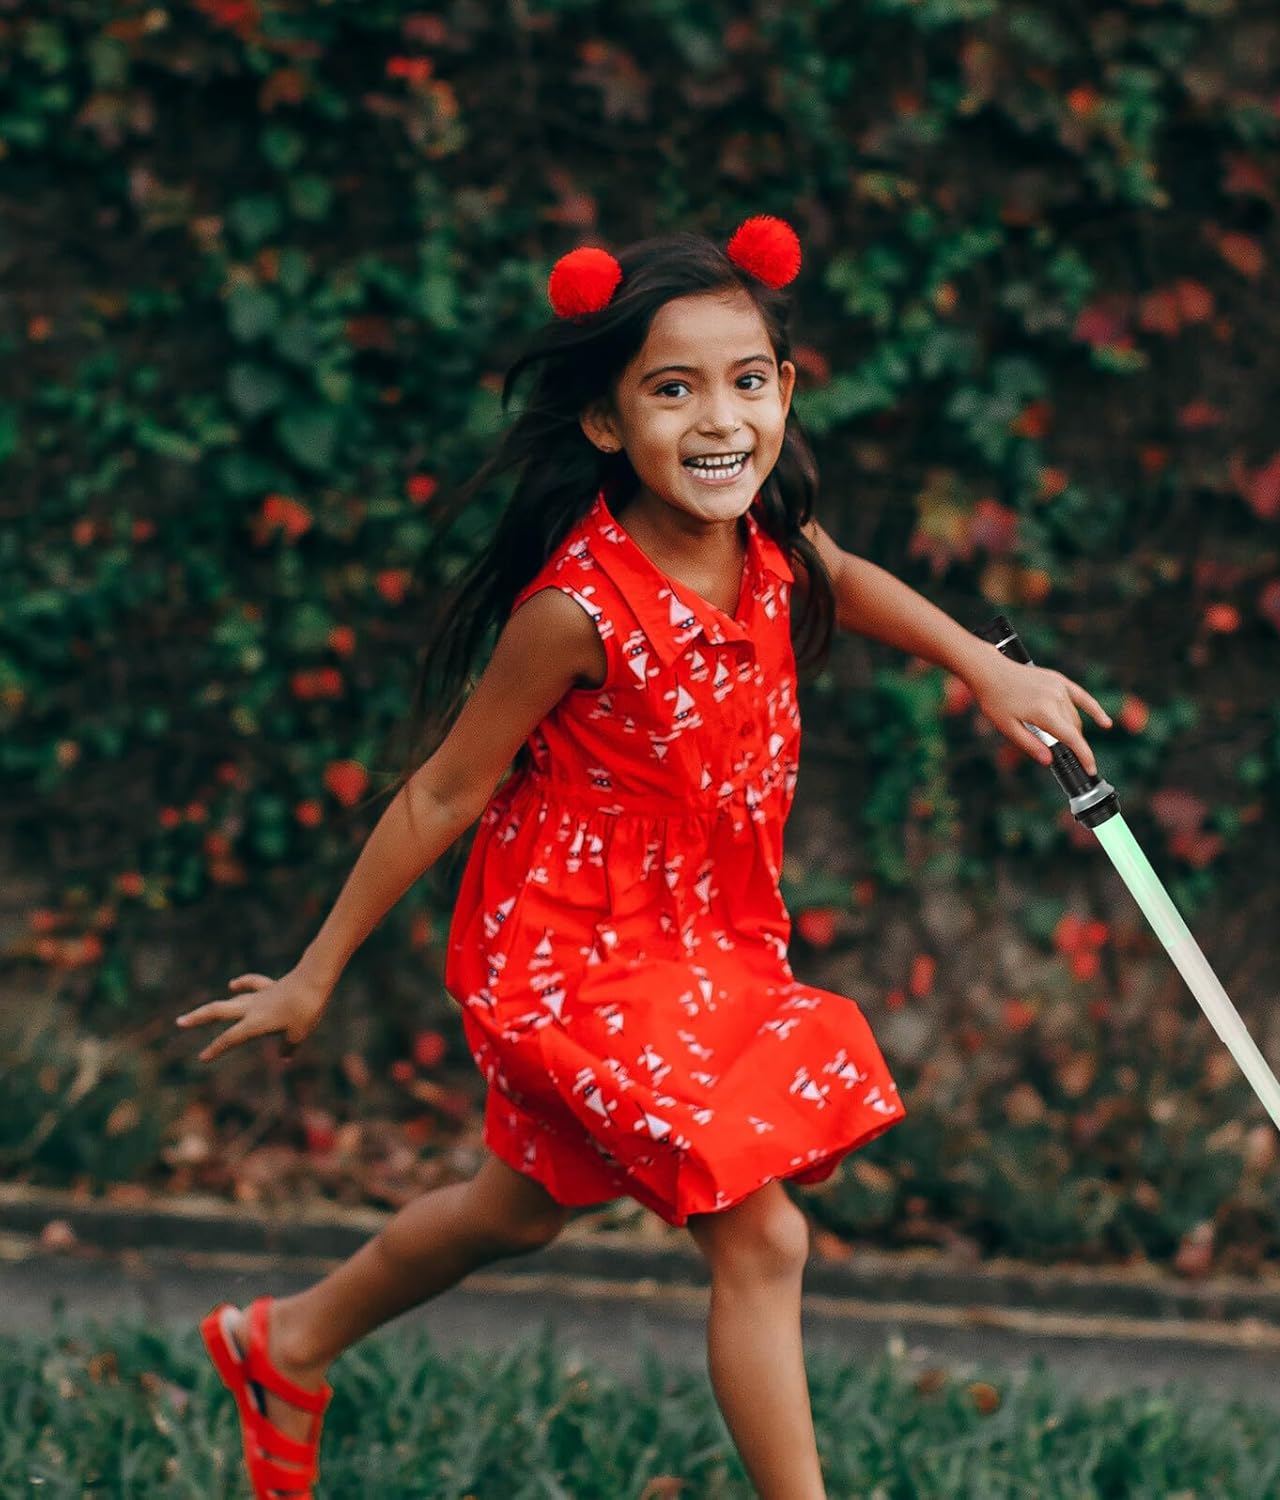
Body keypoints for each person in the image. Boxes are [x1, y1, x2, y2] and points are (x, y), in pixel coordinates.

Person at [176, 213, 1112, 1500]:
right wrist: (313, 973)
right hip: (578, 957)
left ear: (785, 391)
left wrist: (984, 668)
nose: (718, 418)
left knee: (514, 1209)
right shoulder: (576, 611)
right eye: (673, 390)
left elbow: (846, 576)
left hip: (708, 937)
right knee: (764, 1237)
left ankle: (284, 1344)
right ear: (607, 423)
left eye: (746, 381)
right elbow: (444, 789)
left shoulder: (770, 540)